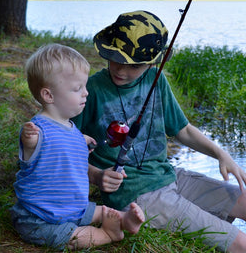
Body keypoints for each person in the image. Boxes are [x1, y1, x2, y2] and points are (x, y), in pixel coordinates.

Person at [72, 11, 246, 253]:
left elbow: (182, 130)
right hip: (135, 195)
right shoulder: (90, 90)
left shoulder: (156, 79)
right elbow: (63, 148)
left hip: (167, 176)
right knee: (239, 244)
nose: (121, 69)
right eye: (115, 58)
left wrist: (221, 155)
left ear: (154, 63)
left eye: (133, 65)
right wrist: (96, 176)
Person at [10, 43, 145, 251]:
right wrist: (28, 140)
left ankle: (124, 219)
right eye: (77, 89)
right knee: (70, 237)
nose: (86, 93)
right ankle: (107, 234)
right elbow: (33, 150)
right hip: (41, 216)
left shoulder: (70, 126)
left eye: (84, 87)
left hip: (73, 206)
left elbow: (64, 139)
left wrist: (80, 141)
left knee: (100, 211)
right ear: (48, 96)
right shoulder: (38, 131)